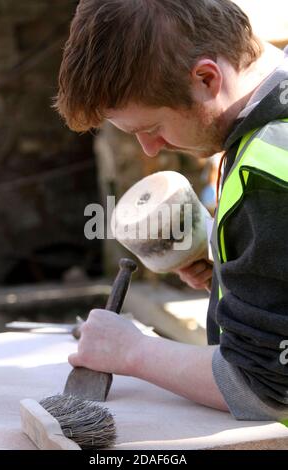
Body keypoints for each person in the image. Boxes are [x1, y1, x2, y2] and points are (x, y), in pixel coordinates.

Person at [55, 0, 288, 422]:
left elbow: (268, 388)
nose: (150, 149)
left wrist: (133, 351)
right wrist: (234, 271)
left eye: (151, 128)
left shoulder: (268, 175)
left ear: (205, 78)